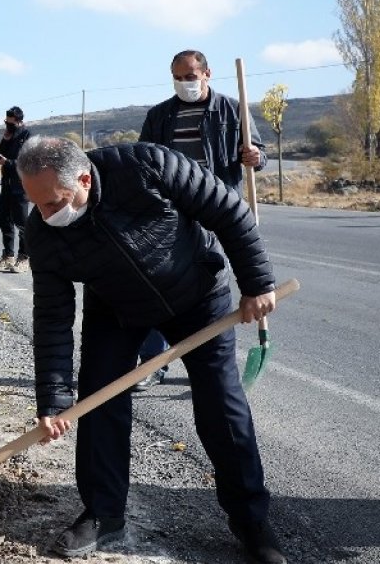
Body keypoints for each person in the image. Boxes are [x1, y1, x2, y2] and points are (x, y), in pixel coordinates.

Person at [18, 137, 285, 564]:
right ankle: (104, 515)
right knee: (97, 400)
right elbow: (52, 318)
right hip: (118, 308)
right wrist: (53, 399)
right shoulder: (42, 233)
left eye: (54, 203)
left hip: (197, 290)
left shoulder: (144, 166)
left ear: (84, 178)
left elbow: (228, 211)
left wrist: (256, 284)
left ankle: (250, 519)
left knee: (221, 403)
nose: (47, 216)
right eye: (38, 206)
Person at [134, 49, 269, 391]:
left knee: (215, 286)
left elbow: (259, 153)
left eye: (190, 77)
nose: (184, 84)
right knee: (160, 283)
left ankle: (213, 367)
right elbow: (143, 161)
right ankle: (153, 363)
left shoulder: (232, 110)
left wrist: (256, 156)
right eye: (177, 78)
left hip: (220, 207)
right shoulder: (160, 115)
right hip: (172, 211)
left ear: (207, 73)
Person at [0, 106, 33, 273]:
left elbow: (27, 162)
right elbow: (0, 154)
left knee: (22, 224)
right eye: (6, 122)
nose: (8, 125)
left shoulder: (27, 136)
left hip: (20, 186)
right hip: (6, 185)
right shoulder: (8, 136)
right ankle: (8, 256)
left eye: (11, 123)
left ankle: (24, 258)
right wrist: (6, 140)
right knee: (5, 221)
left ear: (20, 122)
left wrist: (8, 162)